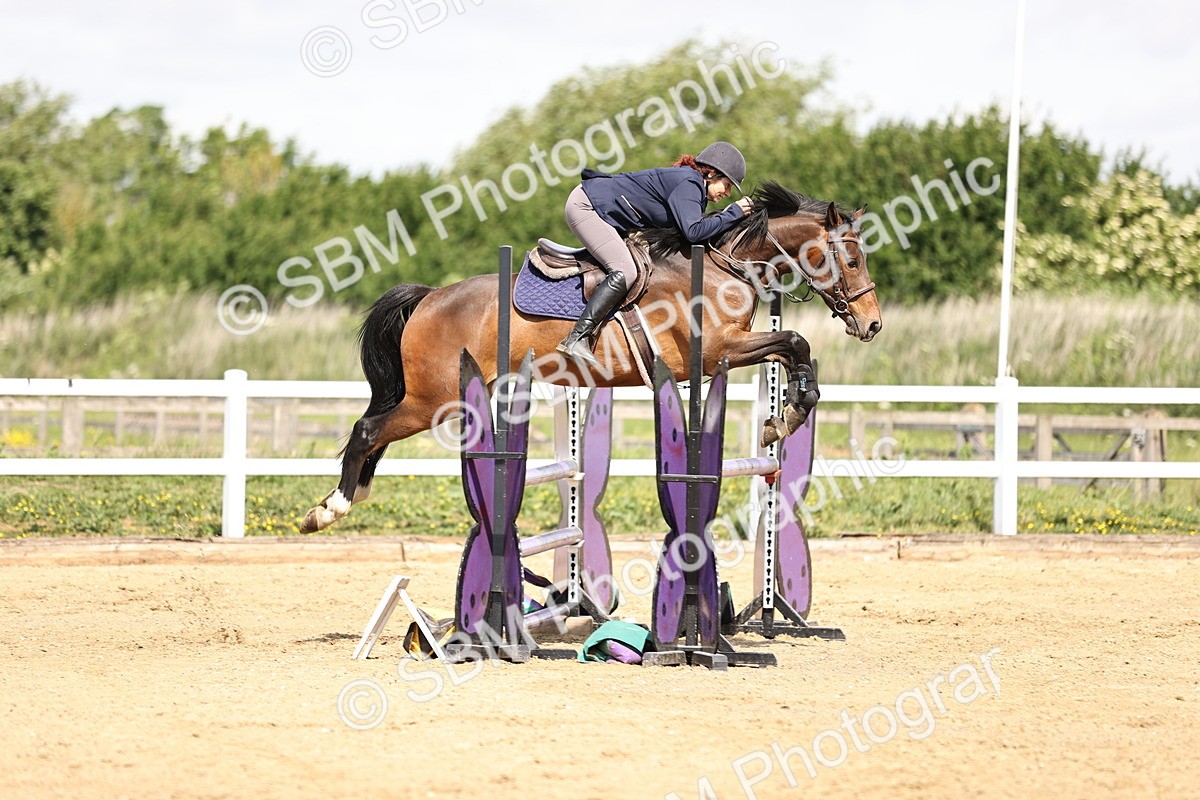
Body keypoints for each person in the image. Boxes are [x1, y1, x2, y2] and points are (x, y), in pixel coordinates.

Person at [556, 141, 754, 366]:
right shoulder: (689, 183)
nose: (727, 193)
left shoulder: (693, 187)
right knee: (626, 270)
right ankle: (577, 338)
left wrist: (730, 215)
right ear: (711, 173)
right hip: (586, 206)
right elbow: (693, 232)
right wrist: (734, 213)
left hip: (600, 208)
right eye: (726, 185)